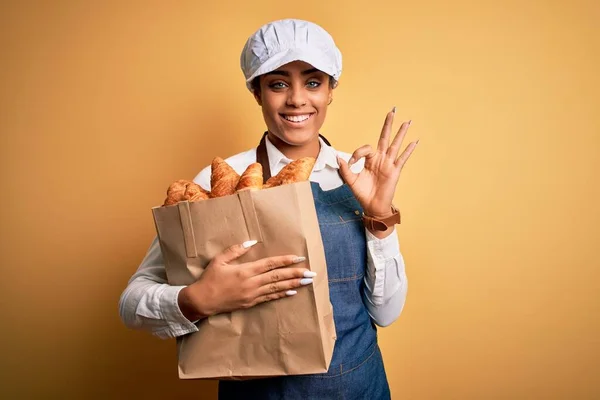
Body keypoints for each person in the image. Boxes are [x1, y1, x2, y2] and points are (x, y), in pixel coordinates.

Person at [119, 18, 418, 399]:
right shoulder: (221, 180)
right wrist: (198, 300)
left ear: (330, 91)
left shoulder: (360, 177)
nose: (297, 99)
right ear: (257, 92)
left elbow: (386, 313)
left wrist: (381, 217)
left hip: (359, 389)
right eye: (278, 83)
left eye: (313, 82)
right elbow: (132, 302)